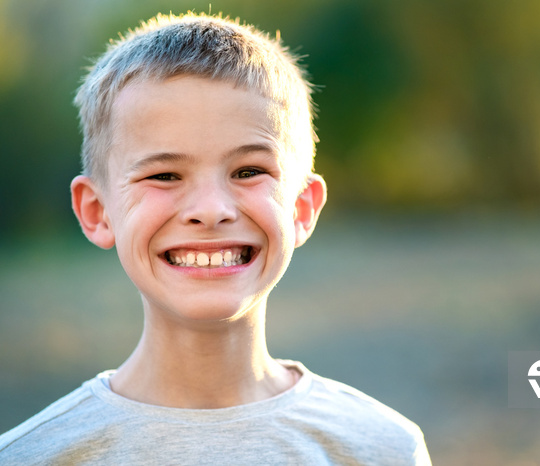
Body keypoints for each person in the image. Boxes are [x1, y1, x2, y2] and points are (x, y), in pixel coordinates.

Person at [0, 12, 431, 465]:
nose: (210, 210)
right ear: (98, 212)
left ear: (302, 208)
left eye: (248, 171)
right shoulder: (31, 456)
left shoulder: (384, 449)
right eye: (164, 175)